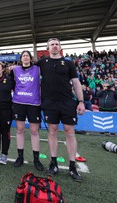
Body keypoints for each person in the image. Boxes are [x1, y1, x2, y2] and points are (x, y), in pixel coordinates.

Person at [36, 38, 85, 182]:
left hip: (67, 103)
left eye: (57, 44)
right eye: (52, 44)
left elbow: (76, 83)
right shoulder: (42, 62)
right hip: (50, 103)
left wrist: (81, 101)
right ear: (47, 48)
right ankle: (54, 163)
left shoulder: (69, 63)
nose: (54, 46)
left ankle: (72, 166)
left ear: (60, 47)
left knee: (70, 133)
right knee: (52, 132)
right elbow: (27, 69)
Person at [10, 51, 43, 170]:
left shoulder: (37, 69)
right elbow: (10, 83)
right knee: (20, 130)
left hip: (34, 103)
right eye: (23, 56)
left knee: (34, 131)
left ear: (30, 58)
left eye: (27, 55)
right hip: (19, 103)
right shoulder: (15, 70)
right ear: (20, 58)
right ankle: (20, 157)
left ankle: (36, 159)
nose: (25, 57)